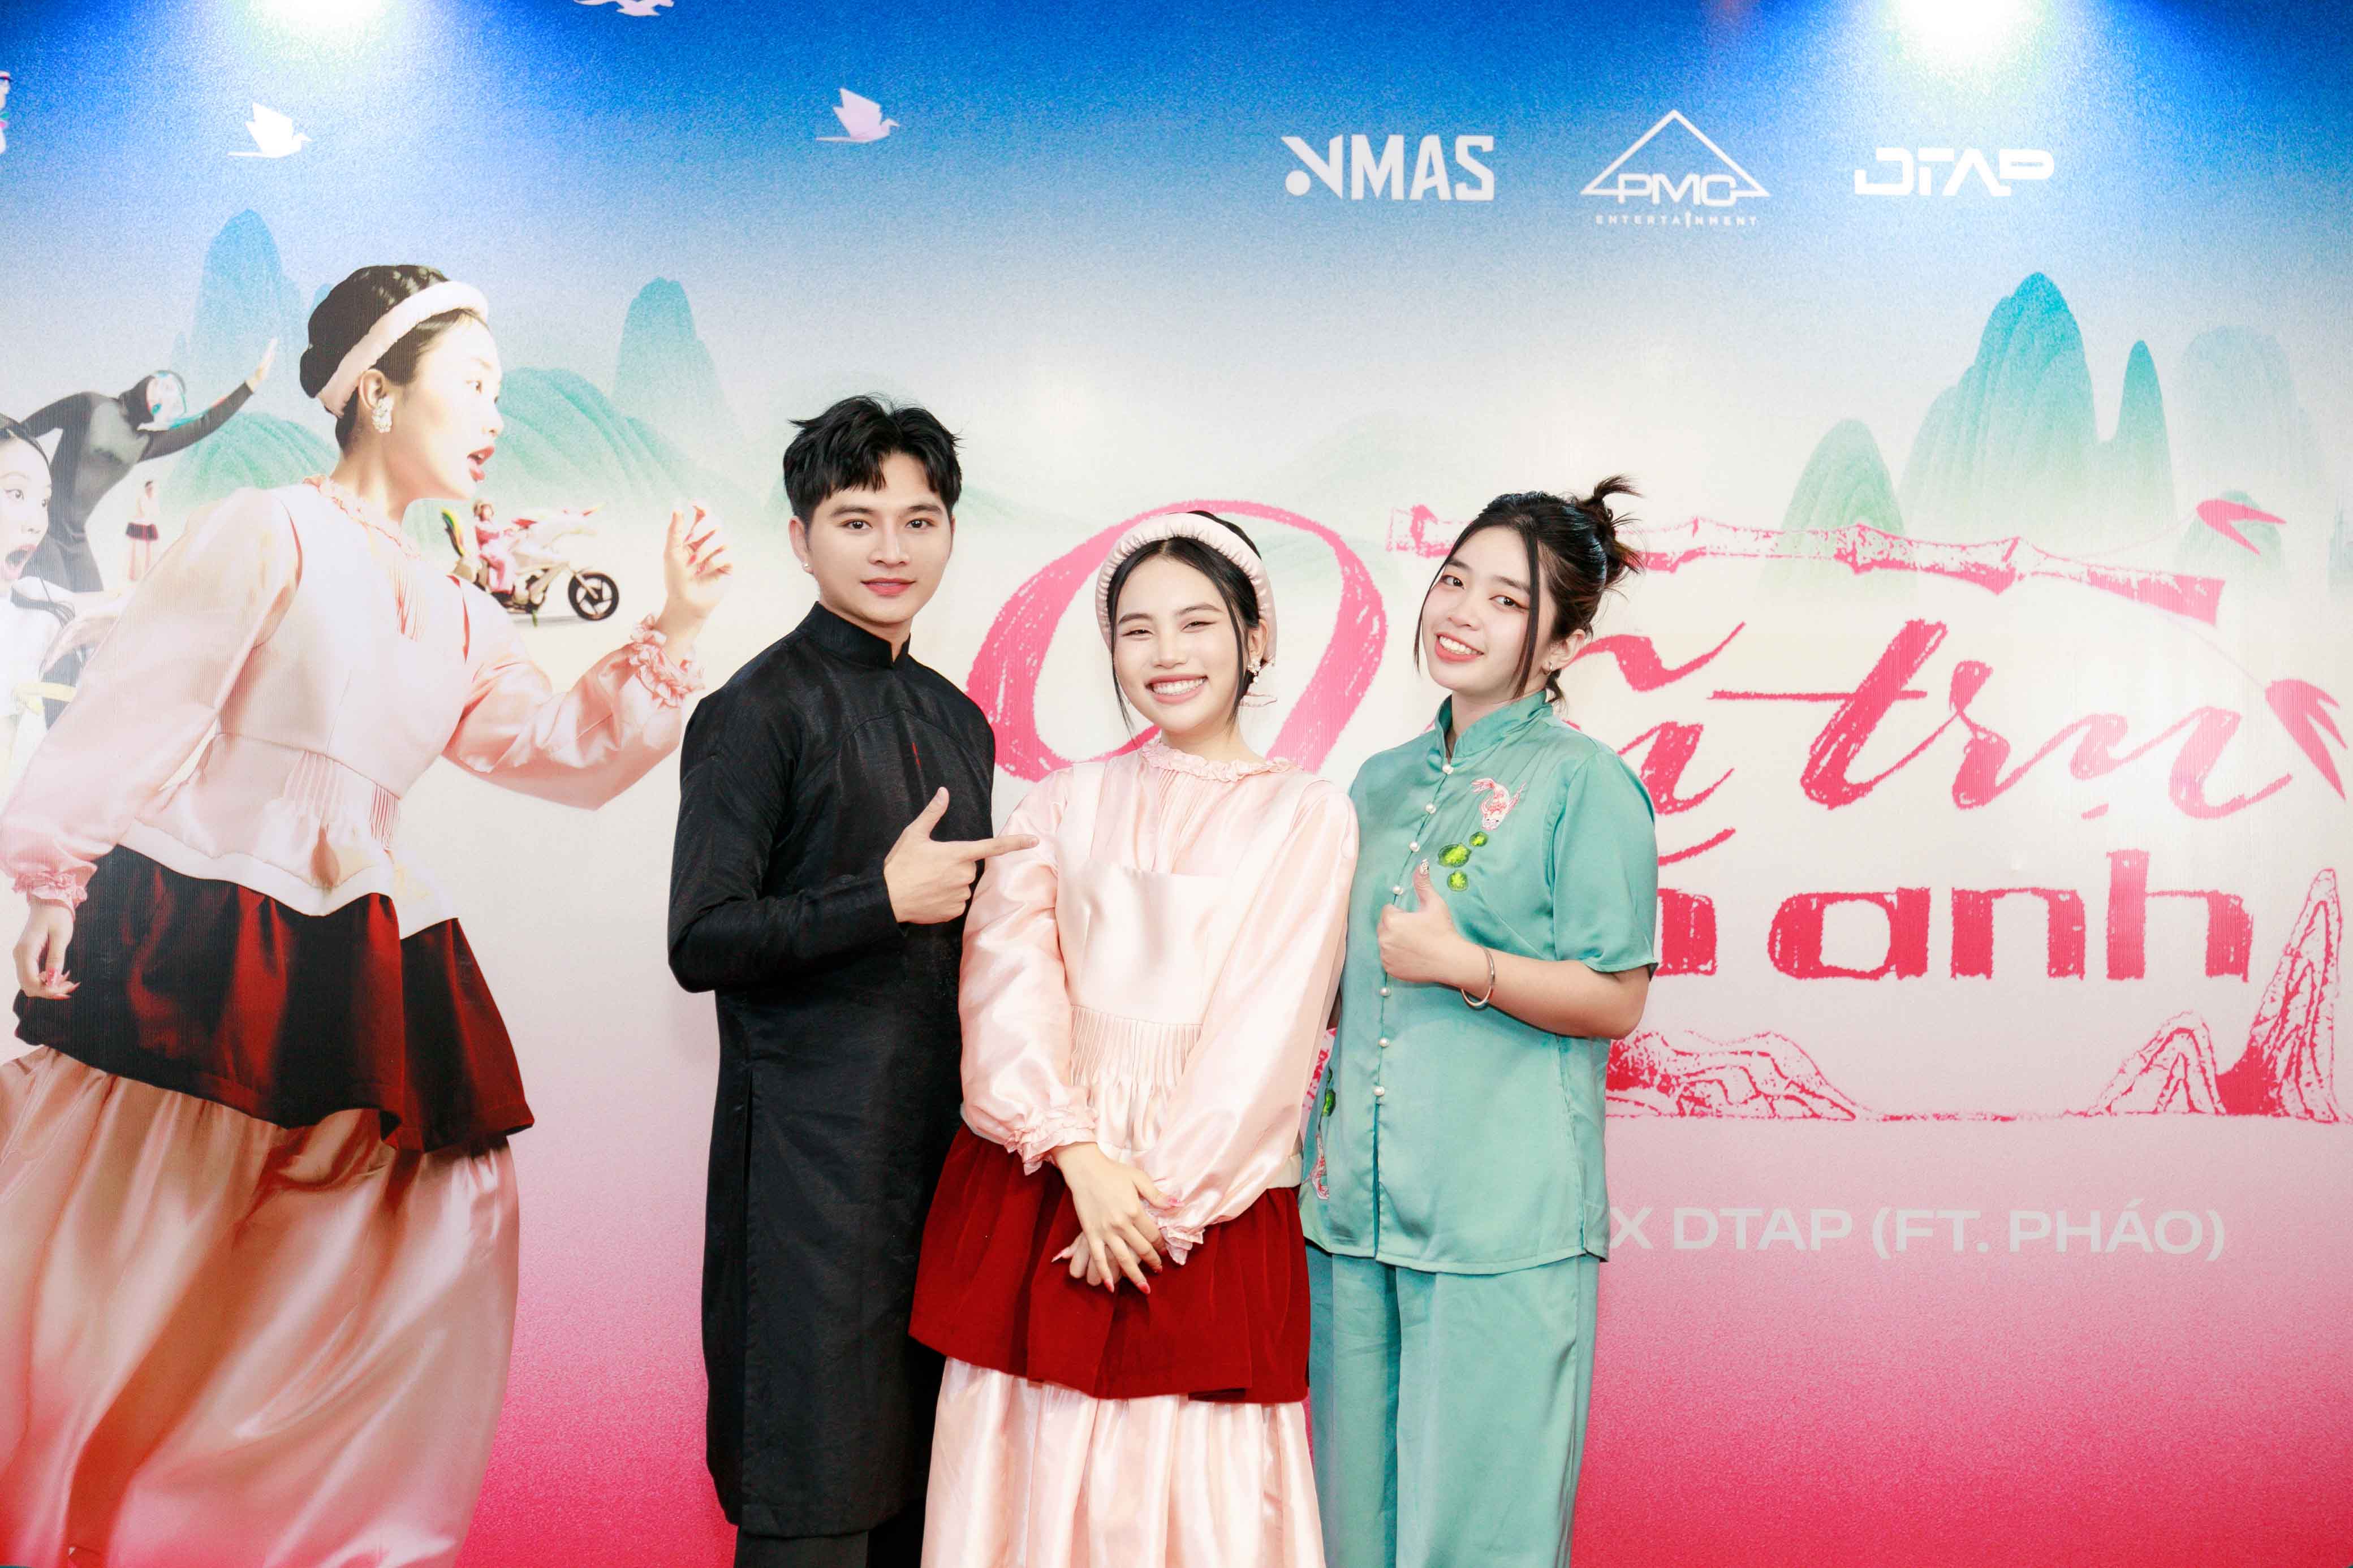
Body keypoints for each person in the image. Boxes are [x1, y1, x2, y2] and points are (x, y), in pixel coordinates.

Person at [0, 264, 733, 1568]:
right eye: (475, 384)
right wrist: (58, 874)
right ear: (378, 393)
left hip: (361, 926)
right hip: (211, 906)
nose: (496, 413)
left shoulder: (458, 606)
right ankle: (77, 1515)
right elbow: (150, 699)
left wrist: (673, 623)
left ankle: (258, 1535)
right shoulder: (267, 529)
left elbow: (553, 749)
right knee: (142, 1250)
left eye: (502, 390)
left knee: (419, 1223)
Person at [910, 511, 1356, 1567]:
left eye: (1197, 623)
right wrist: (1077, 1156)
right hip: (1046, 1177)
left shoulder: (1309, 814)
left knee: (1184, 1488)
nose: (1167, 654)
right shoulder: (1061, 801)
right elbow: (1006, 986)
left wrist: (1156, 1206)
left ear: (1255, 637)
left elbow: (1268, 1034)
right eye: (1137, 630)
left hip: (1204, 1201)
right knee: (1027, 1465)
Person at [668, 396, 1011, 1568]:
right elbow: (701, 938)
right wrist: (881, 897)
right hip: (805, 1190)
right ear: (801, 537)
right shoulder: (754, 710)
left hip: (944, 1177)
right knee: (811, 1505)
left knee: (924, 1508)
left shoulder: (960, 718)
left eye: (920, 520)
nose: (891, 549)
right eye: (857, 520)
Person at [1300, 485, 1660, 1568]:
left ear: (1565, 645)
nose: (1462, 610)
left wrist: (1471, 967)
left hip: (1501, 1226)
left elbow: (1618, 995)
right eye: (1455, 579)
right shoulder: (1378, 781)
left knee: (1477, 1542)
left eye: (1508, 599)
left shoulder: (1587, 784)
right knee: (1352, 1531)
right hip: (1352, 1219)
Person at [17, 351, 273, 591]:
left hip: (74, 539)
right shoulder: (90, 405)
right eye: (165, 387)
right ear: (151, 379)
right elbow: (24, 430)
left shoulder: (142, 444)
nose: (164, 397)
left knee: (96, 614)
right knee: (57, 610)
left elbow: (204, 425)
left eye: (172, 402)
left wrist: (251, 385)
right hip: (42, 527)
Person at [124, 478, 162, 580]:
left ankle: (146, 574)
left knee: (149, 550)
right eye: (149, 489)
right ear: (146, 489)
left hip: (147, 525)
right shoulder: (142, 498)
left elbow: (155, 513)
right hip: (139, 525)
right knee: (137, 550)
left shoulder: (153, 499)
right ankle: (135, 575)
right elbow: (142, 513)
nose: (151, 491)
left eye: (152, 489)